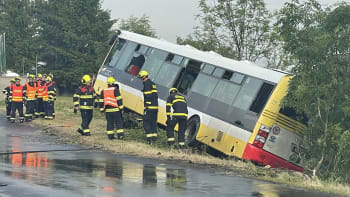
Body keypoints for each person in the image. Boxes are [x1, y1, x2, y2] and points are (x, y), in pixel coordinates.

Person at [137, 70, 158, 144]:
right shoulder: (153, 84)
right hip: (155, 107)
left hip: (149, 107)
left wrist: (147, 106)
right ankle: (154, 140)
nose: (140, 79)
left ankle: (149, 140)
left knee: (146, 122)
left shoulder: (146, 84)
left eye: (141, 77)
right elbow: (155, 96)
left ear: (144, 77)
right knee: (153, 123)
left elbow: (148, 96)